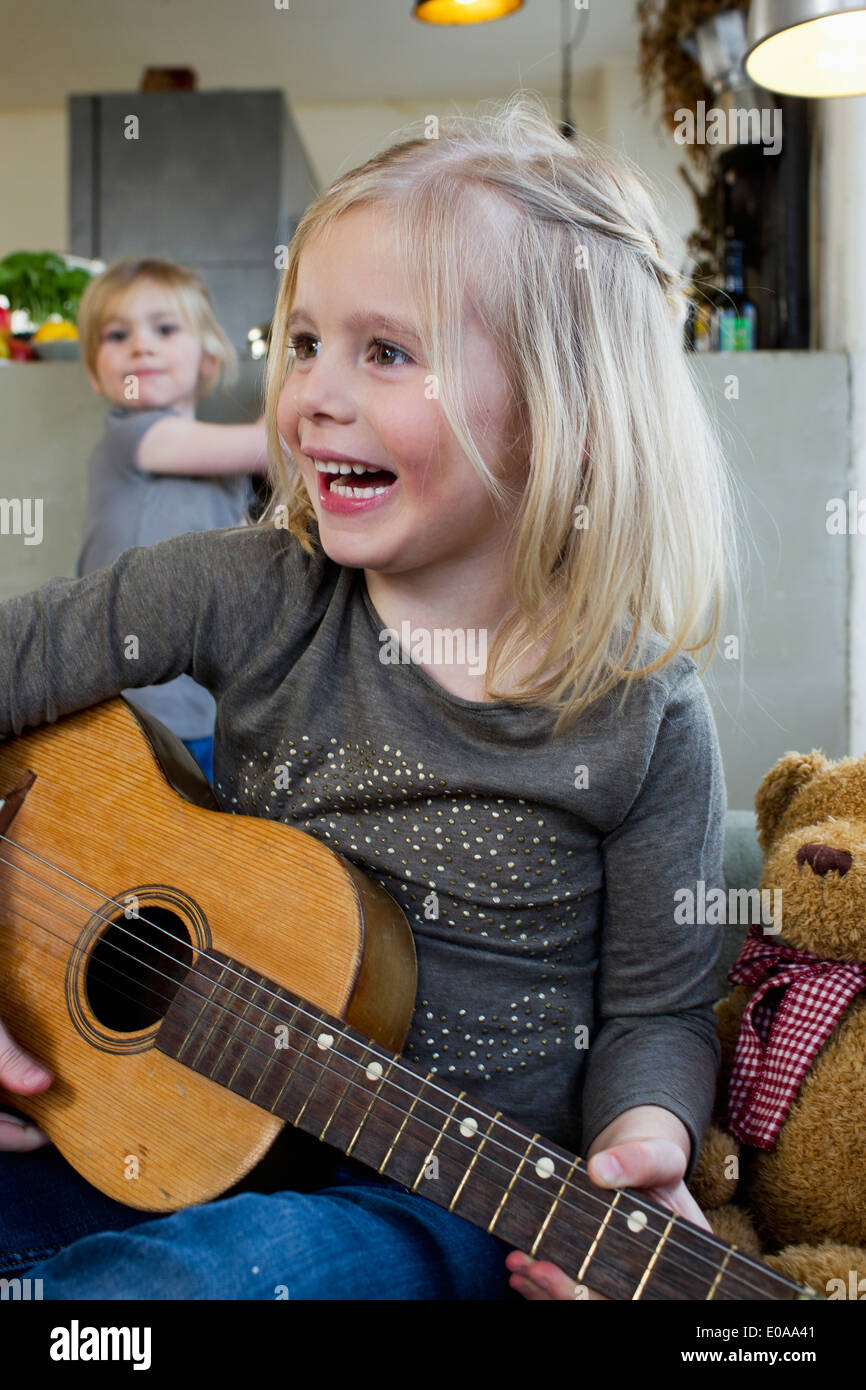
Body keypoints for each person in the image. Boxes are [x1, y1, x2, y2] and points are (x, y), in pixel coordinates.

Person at [0, 91, 742, 1301]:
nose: (310, 399)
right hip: (155, 1118)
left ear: (566, 413)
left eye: (383, 352)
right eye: (302, 343)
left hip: (433, 1197)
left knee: (168, 1292)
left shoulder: (644, 713)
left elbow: (656, 1013)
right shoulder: (249, 590)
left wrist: (643, 1143)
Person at [75, 258, 270, 784]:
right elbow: (267, 446)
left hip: (204, 703)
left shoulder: (222, 467)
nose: (142, 345)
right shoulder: (134, 436)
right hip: (134, 707)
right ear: (95, 370)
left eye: (164, 328)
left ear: (208, 358)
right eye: (117, 334)